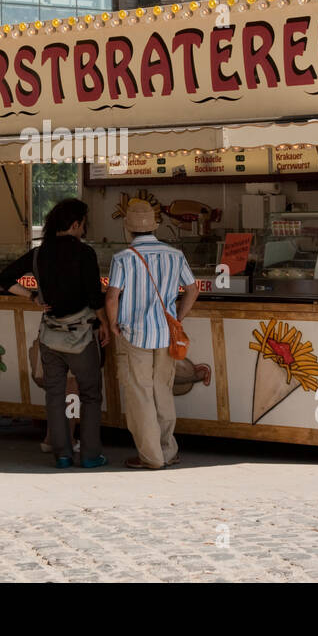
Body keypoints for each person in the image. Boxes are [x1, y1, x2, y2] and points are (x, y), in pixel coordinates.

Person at [0, 198, 109, 469]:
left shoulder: (39, 253)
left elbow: (4, 279)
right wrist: (104, 323)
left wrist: (32, 296)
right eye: (84, 223)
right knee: (91, 395)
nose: (84, 229)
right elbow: (95, 297)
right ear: (75, 224)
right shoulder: (85, 253)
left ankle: (62, 454)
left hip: (50, 336)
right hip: (81, 335)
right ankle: (91, 455)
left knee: (55, 396)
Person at [106, 198, 200, 470]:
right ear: (154, 226)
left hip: (134, 334)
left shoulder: (123, 258)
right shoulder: (175, 255)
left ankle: (151, 456)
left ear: (128, 229)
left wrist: (112, 324)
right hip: (165, 334)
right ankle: (168, 451)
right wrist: (178, 317)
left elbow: (112, 297)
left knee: (140, 394)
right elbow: (193, 289)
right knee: (162, 391)